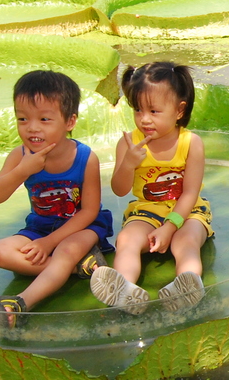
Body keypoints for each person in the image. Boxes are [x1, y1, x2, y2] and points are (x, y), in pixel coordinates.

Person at [0, 70, 114, 327]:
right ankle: (79, 267)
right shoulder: (20, 156)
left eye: (44, 119)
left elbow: (89, 211)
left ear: (70, 121)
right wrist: (23, 170)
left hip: (83, 227)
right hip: (39, 227)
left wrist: (48, 243)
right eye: (22, 118)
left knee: (65, 250)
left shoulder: (86, 158)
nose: (32, 128)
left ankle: (19, 303)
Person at [90, 61, 212, 314]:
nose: (144, 119)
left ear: (179, 110)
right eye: (137, 110)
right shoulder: (129, 143)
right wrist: (128, 163)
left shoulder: (192, 143)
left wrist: (169, 227)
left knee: (186, 242)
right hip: (146, 210)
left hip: (187, 212)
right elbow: (120, 189)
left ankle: (187, 286)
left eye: (154, 111)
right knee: (127, 239)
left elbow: (190, 192)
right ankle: (124, 288)